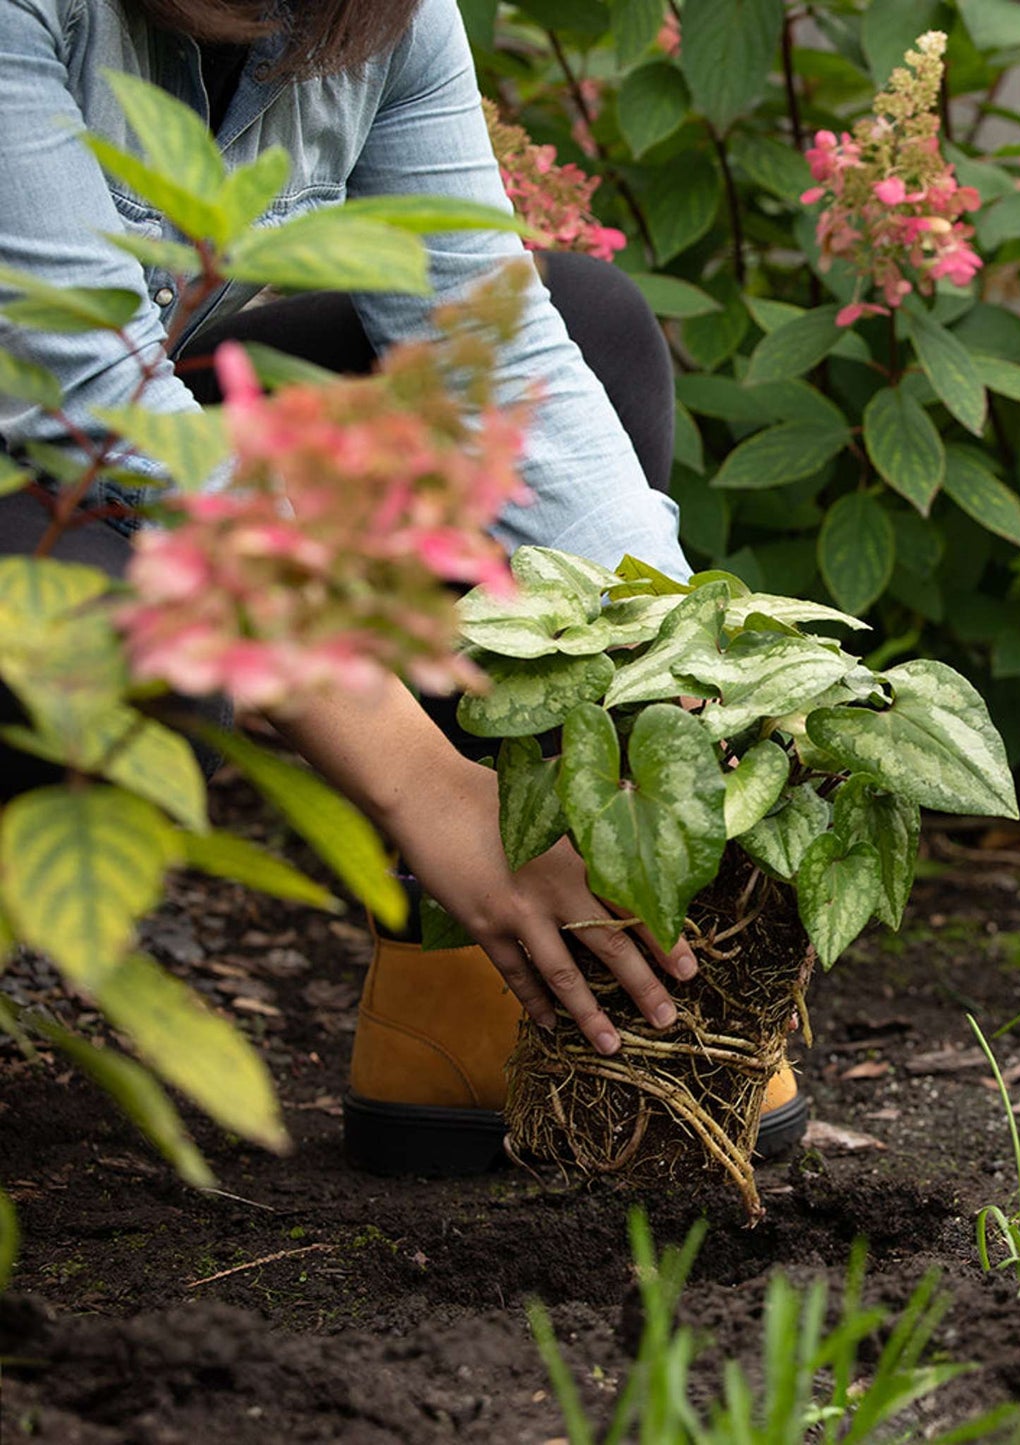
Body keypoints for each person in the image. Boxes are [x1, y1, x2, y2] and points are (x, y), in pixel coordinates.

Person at [0, 0, 807, 1173]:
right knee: (111, 628)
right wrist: (430, 787)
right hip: (54, 453)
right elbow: (80, 397)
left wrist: (682, 677)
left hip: (90, 449)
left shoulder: (385, 21)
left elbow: (494, 363)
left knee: (590, 328)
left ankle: (480, 988)